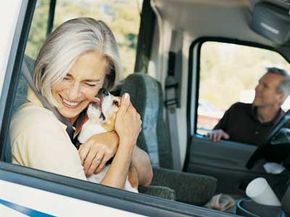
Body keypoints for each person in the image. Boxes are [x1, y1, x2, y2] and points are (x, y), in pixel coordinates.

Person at [10, 17, 153, 189]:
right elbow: (93, 211)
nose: (73, 94)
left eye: (89, 83)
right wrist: (127, 141)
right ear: (47, 68)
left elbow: (146, 176)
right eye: (64, 76)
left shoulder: (84, 115)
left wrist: (114, 140)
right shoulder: (41, 128)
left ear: (104, 82)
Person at [207, 67, 290, 146]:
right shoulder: (236, 111)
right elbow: (214, 134)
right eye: (259, 83)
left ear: (280, 97)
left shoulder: (286, 127)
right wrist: (216, 133)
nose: (257, 88)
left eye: (265, 86)